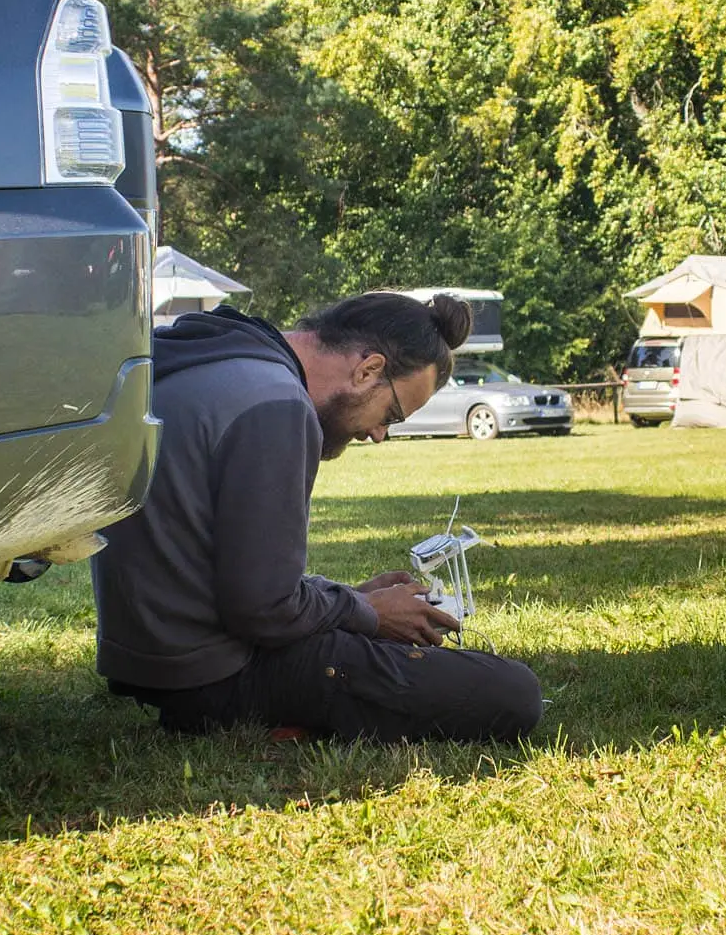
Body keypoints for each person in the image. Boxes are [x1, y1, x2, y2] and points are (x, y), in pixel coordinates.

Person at [95, 292, 543, 742]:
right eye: (391, 413)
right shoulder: (278, 404)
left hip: (148, 656)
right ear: (368, 368)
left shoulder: (219, 356)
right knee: (512, 691)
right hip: (211, 676)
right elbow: (264, 611)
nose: (379, 435)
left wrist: (349, 599)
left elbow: (235, 574)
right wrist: (368, 612)